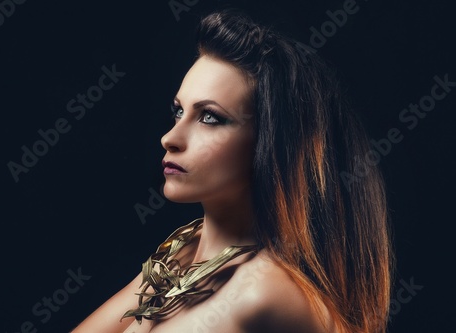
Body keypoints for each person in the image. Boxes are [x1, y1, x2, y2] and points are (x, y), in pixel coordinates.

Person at [71, 8, 392, 333]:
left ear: (269, 143)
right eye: (178, 112)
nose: (170, 138)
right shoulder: (182, 253)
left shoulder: (266, 291)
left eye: (210, 117)